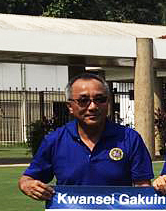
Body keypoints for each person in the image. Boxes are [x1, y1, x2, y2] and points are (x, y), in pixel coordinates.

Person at [20, 73, 153, 201]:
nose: (93, 107)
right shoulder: (55, 140)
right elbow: (28, 178)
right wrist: (26, 185)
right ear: (70, 107)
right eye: (83, 100)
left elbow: (143, 186)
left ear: (108, 103)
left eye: (100, 99)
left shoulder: (129, 138)